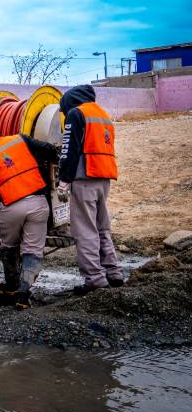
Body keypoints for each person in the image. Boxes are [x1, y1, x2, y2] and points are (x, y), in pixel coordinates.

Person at [0, 131, 59, 309]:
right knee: (33, 250)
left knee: (9, 246)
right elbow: (50, 149)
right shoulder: (19, 139)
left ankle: (11, 286)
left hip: (11, 206)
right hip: (38, 202)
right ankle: (23, 294)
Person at [57, 84, 124, 295]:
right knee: (101, 227)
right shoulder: (103, 115)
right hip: (104, 178)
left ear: (69, 102)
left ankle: (94, 279)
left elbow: (69, 149)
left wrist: (63, 181)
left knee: (85, 230)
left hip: (85, 178)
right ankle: (113, 273)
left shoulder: (77, 113)